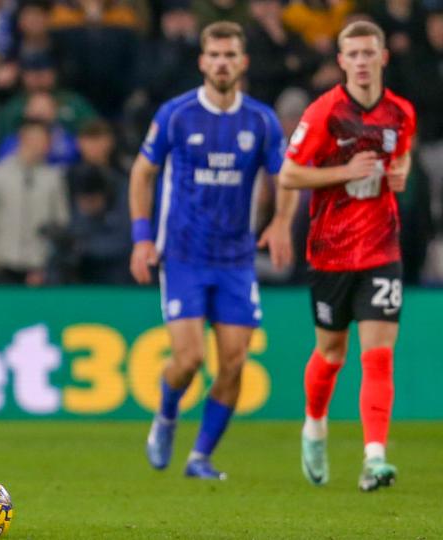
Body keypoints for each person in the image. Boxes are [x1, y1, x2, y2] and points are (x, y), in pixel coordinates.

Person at [130, 21, 297, 480]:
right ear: (202, 61)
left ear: (243, 62)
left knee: (235, 361)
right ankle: (166, 415)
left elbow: (284, 176)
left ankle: (200, 456)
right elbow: (142, 173)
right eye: (215, 55)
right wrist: (142, 237)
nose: (222, 62)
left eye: (230, 55)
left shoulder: (260, 120)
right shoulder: (176, 114)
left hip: (236, 260)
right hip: (183, 255)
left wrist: (281, 222)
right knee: (189, 360)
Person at [279, 21, 417, 492]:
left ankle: (374, 458)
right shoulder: (324, 113)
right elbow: (289, 176)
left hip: (382, 246)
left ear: (383, 58)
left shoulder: (401, 112)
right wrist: (342, 174)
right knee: (332, 353)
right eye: (351, 54)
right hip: (331, 251)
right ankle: (314, 424)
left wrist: (399, 172)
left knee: (378, 356)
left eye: (368, 52)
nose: (360, 61)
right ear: (341, 61)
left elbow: (403, 154)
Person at [0, 118, 70, 285]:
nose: (44, 145)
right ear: (23, 139)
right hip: (3, 264)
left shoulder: (54, 177)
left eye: (46, 141)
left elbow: (61, 221)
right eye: (39, 139)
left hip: (39, 266)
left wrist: (46, 263)